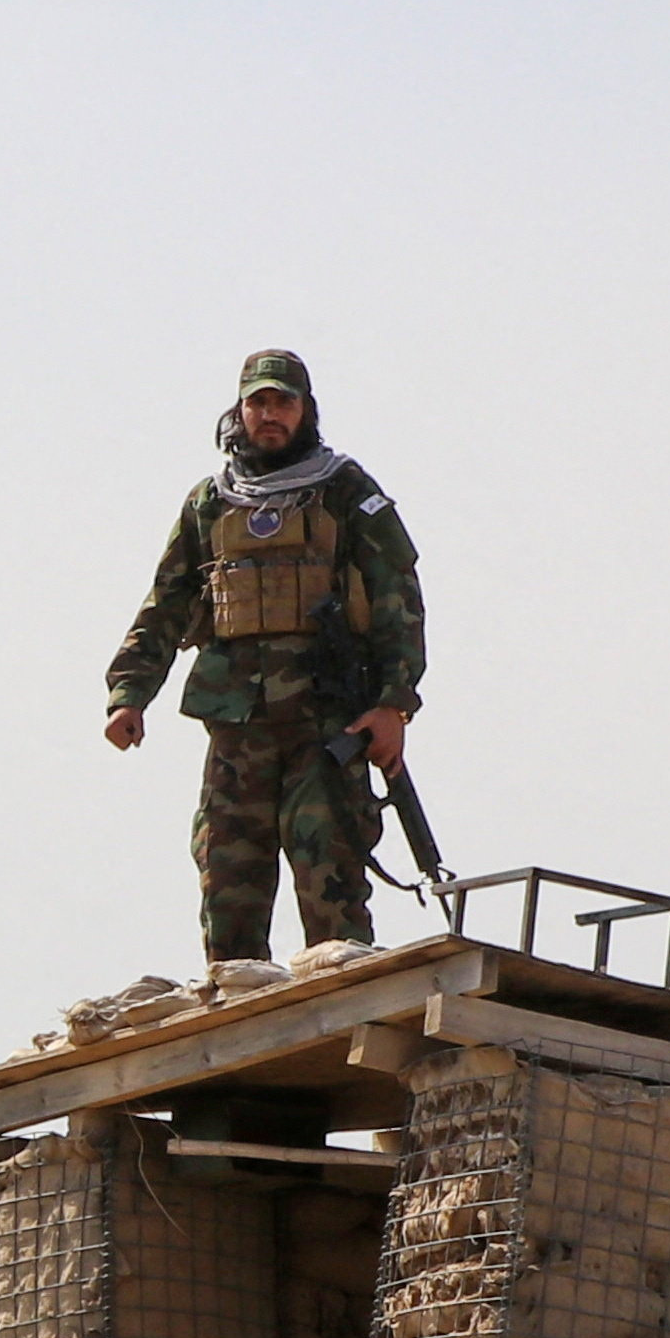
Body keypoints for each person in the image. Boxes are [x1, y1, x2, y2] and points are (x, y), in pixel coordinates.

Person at [104, 351, 425, 965]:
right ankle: (235, 1019)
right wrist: (129, 694)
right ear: (240, 409)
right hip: (237, 721)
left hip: (326, 717)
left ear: (305, 410)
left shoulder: (345, 490)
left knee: (329, 875)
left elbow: (398, 599)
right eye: (259, 403)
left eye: (283, 402)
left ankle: (340, 1015)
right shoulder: (211, 503)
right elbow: (167, 604)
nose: (269, 415)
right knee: (228, 881)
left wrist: (393, 705)